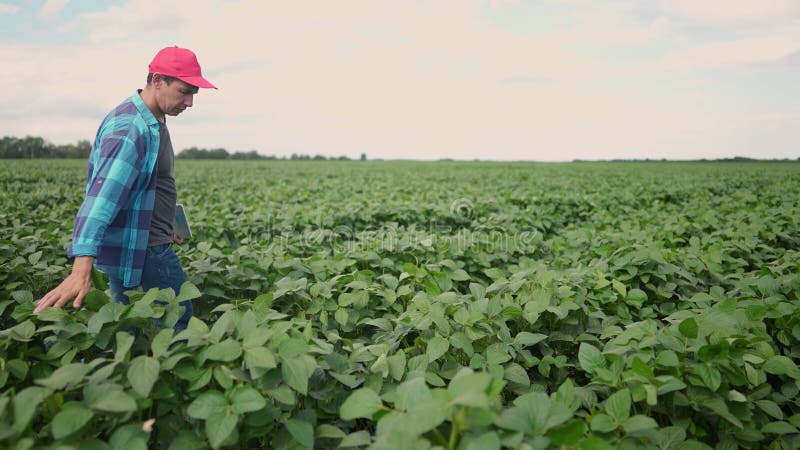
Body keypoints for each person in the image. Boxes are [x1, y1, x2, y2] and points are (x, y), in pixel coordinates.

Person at [33, 46, 217, 330]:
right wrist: (81, 267)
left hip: (143, 237)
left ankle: (116, 365)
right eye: (184, 91)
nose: (190, 102)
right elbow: (101, 199)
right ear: (157, 80)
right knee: (179, 322)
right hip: (146, 247)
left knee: (123, 324)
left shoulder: (153, 118)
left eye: (194, 93)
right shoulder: (131, 129)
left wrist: (167, 222)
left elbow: (149, 184)